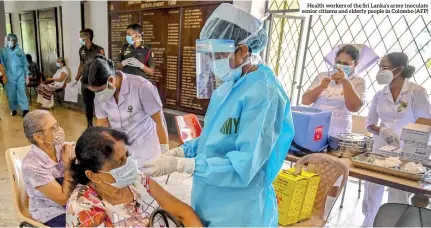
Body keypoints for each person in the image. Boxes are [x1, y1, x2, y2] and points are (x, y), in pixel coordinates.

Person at [143, 3, 295, 227]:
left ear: (242, 51)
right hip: (208, 195)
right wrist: (182, 151)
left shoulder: (264, 93)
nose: (213, 62)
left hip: (239, 207)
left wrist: (184, 165)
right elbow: (213, 138)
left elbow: (245, 165)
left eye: (218, 54)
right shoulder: (228, 87)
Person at [66, 126, 202, 227]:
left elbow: (184, 212)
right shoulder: (83, 210)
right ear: (93, 175)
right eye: (119, 162)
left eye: (127, 155)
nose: (128, 164)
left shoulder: (137, 181)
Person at [362, 52, 431, 227]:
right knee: (372, 190)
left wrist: (406, 135)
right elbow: (369, 123)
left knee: (398, 193)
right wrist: (382, 131)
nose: (380, 71)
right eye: (380, 67)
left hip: (406, 151)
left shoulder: (416, 92)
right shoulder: (380, 94)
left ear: (399, 69)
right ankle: (369, 222)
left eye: (384, 67)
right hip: (380, 149)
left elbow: (426, 121)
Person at [81, 55, 169, 166]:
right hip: (122, 152)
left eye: (99, 90)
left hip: (147, 149)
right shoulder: (100, 96)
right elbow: (102, 124)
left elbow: (160, 122)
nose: (97, 94)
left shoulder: (141, 87)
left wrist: (165, 153)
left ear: (111, 80)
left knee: (149, 180)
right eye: (94, 91)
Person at [302, 44, 375, 134]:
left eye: (346, 64)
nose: (340, 66)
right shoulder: (322, 76)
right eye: (338, 62)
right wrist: (321, 87)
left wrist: (345, 82)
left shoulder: (359, 81)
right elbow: (305, 101)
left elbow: (354, 108)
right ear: (334, 60)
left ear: (355, 64)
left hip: (338, 130)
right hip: (314, 126)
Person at [22, 110, 76, 227]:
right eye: (53, 128)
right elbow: (62, 199)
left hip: (73, 203)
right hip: (52, 212)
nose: (59, 130)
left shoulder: (61, 147)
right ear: (39, 137)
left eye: (57, 125)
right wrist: (68, 166)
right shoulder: (31, 166)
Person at [75, 28, 105, 127]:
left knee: (100, 102)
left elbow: (103, 65)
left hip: (96, 82)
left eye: (81, 36)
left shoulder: (99, 49)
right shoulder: (81, 50)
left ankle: (102, 121)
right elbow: (81, 64)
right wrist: (76, 78)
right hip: (85, 81)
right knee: (88, 103)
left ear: (87, 37)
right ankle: (89, 123)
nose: (79, 38)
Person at [1, 33, 30, 117]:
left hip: (20, 74)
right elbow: (1, 63)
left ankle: (25, 110)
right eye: (9, 40)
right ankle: (13, 109)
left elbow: (25, 63)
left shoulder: (20, 51)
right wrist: (3, 75)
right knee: (11, 93)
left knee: (22, 91)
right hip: (9, 74)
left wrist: (27, 76)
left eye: (12, 40)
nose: (10, 42)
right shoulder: (3, 51)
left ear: (15, 41)